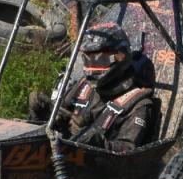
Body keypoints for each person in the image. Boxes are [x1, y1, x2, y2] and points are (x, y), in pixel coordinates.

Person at [28, 23, 156, 152]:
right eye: (88, 59)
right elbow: (60, 117)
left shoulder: (138, 104)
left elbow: (128, 151)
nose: (92, 68)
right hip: (61, 154)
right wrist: (42, 112)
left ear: (120, 57)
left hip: (94, 167)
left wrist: (95, 141)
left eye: (99, 60)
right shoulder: (85, 85)